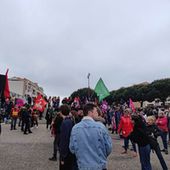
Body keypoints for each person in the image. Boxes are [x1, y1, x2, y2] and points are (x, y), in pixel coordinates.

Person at [69, 103, 112, 170]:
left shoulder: (75, 128)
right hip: (99, 166)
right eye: (96, 112)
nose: (97, 114)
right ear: (90, 112)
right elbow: (108, 147)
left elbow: (72, 148)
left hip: (82, 166)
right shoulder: (101, 127)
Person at [58, 104, 77, 170]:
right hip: (70, 152)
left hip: (66, 153)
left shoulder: (65, 123)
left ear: (61, 112)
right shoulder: (71, 120)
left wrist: (63, 156)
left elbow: (64, 140)